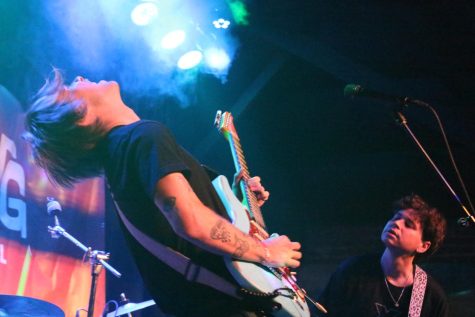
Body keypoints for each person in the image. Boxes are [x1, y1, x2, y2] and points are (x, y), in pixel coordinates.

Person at [24, 70, 303, 316]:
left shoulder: (123, 155)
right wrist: (266, 253)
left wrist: (235, 203)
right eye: (72, 87)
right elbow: (190, 222)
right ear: (80, 118)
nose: (81, 78)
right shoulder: (144, 136)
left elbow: (181, 225)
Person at [317, 194, 448, 317]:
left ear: (423, 246)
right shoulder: (352, 271)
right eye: (396, 218)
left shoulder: (431, 296)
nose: (396, 223)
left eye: (408, 224)